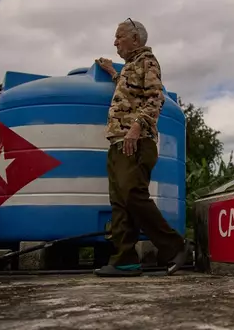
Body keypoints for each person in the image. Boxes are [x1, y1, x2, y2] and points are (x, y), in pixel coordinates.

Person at [93, 18, 188, 277]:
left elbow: (155, 97)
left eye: (119, 36)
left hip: (135, 141)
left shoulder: (148, 62)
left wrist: (137, 127)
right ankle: (124, 259)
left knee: (133, 195)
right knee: (120, 201)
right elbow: (128, 93)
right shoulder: (130, 68)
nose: (115, 42)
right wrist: (113, 72)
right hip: (118, 141)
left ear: (135, 39)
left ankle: (175, 246)